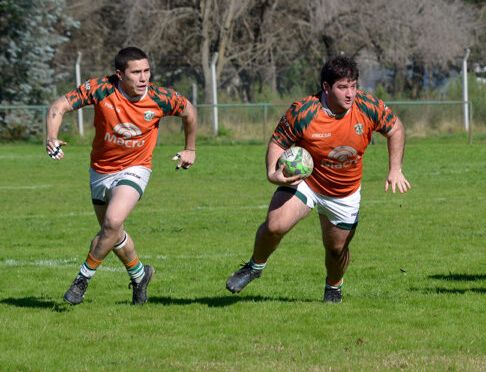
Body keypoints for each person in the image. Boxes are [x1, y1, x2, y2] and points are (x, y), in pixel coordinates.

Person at [224, 55, 410, 303]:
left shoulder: (367, 107)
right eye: (342, 87)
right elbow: (278, 142)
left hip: (345, 192)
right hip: (307, 182)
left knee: (336, 250)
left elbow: (395, 128)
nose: (350, 94)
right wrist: (272, 172)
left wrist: (395, 169)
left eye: (353, 86)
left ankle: (333, 287)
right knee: (275, 225)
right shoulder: (303, 111)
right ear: (326, 87)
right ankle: (253, 267)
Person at [45, 47, 197, 305]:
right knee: (113, 235)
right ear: (119, 74)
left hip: (136, 168)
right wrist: (51, 136)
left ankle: (82, 280)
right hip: (100, 171)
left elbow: (189, 111)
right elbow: (59, 105)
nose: (143, 78)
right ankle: (140, 275)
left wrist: (190, 148)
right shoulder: (101, 89)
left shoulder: (160, 97)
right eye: (136, 72)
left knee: (112, 223)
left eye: (147, 71)